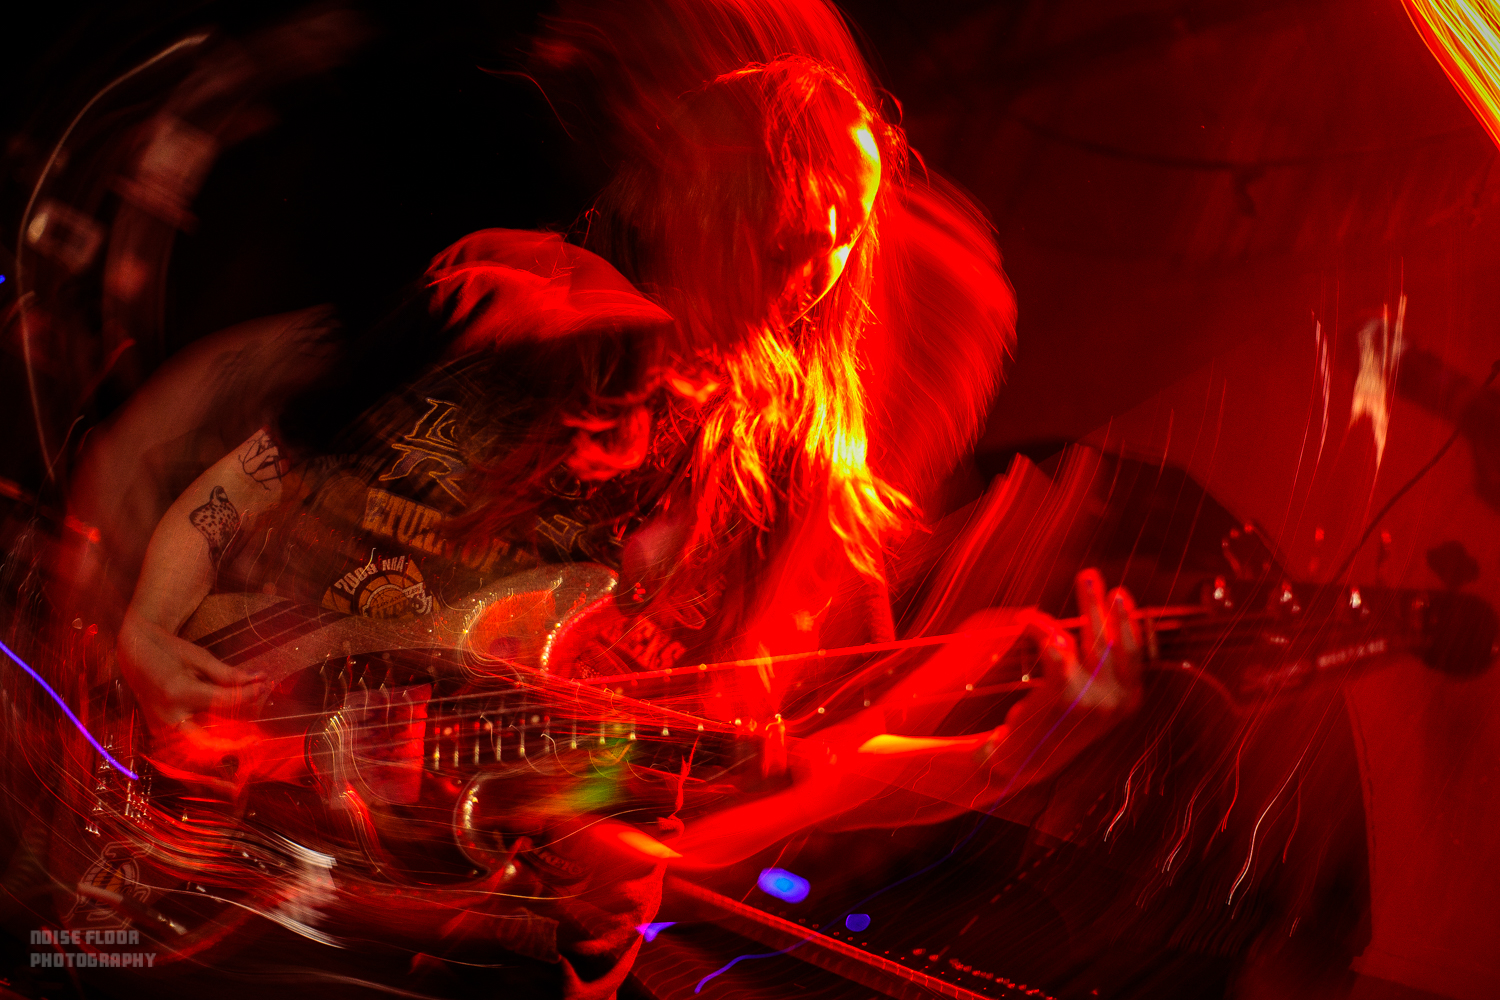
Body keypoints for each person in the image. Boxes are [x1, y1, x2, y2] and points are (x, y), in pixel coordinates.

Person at [109, 6, 1142, 996]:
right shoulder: (501, 296)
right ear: (682, 184)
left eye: (845, 218)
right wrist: (148, 628)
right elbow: (263, 466)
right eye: (789, 184)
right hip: (254, 865)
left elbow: (797, 764)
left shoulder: (797, 490)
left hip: (478, 949)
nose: (821, 237)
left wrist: (1000, 758)